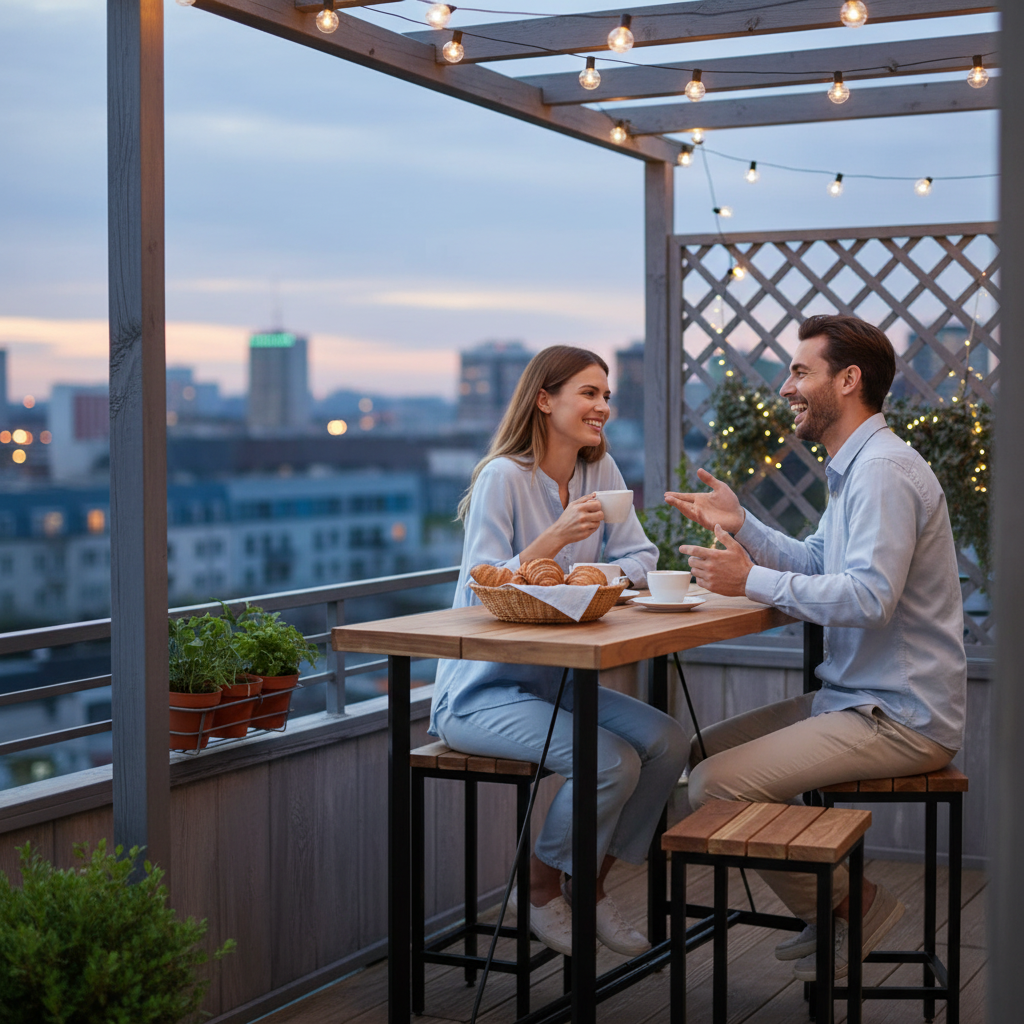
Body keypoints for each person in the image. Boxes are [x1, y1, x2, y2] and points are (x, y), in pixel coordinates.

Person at [666, 314, 966, 981]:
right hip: (858, 701)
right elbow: (819, 560)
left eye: (801, 372)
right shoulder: (859, 466)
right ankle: (827, 908)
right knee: (703, 755)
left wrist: (749, 579)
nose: (787, 388)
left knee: (716, 785)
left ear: (848, 379)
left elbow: (867, 598)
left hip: (899, 716)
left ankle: (853, 908)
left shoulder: (884, 471)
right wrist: (741, 523)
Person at [431, 345, 686, 958]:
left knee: (668, 743)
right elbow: (479, 583)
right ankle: (542, 886)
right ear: (545, 400)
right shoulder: (504, 477)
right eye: (588, 393)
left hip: (558, 682)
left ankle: (589, 885)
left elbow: (642, 557)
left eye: (605, 394)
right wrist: (554, 540)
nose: (602, 406)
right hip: (482, 692)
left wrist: (595, 575)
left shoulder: (603, 472)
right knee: (609, 764)